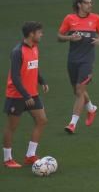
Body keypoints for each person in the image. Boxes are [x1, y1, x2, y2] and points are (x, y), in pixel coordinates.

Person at [57, 0, 99, 135]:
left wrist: (98, 39)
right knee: (78, 91)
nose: (90, 5)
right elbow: (59, 36)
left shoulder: (95, 18)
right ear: (79, 4)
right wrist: (70, 38)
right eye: (87, 3)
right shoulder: (69, 19)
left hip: (87, 61)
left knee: (79, 91)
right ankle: (91, 108)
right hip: (72, 60)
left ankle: (72, 124)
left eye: (91, 3)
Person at [4, 22, 49, 168]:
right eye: (39, 32)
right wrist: (25, 95)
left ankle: (30, 155)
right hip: (17, 96)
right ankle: (7, 159)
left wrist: (41, 81)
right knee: (12, 127)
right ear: (31, 34)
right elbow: (15, 77)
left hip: (32, 94)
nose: (41, 34)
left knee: (42, 120)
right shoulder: (18, 51)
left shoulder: (35, 47)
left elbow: (34, 67)